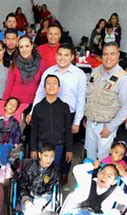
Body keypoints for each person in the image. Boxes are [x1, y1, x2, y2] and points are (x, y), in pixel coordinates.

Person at [31, 43, 87, 182]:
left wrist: (77, 121)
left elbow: (81, 99)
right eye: (60, 54)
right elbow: (39, 94)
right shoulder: (49, 72)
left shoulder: (79, 75)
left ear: (72, 57)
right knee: (47, 150)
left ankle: (62, 175)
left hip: (69, 114)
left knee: (64, 148)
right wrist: (32, 112)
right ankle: (43, 176)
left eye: (66, 55)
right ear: (56, 55)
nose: (62, 58)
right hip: (45, 111)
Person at [84, 42, 127, 161]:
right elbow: (90, 95)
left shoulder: (123, 79)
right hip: (90, 122)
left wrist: (110, 127)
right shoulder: (95, 71)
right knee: (89, 154)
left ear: (118, 55)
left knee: (102, 158)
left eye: (112, 54)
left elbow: (126, 109)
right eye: (105, 54)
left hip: (105, 125)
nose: (108, 57)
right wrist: (87, 115)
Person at [30, 74, 73, 172]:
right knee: (41, 170)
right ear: (44, 88)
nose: (51, 85)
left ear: (58, 88)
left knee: (55, 169)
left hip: (58, 146)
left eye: (54, 83)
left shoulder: (64, 107)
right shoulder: (38, 107)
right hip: (42, 146)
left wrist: (69, 149)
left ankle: (52, 186)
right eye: (48, 83)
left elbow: (68, 129)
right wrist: (33, 149)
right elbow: (34, 130)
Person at [20, 144, 59, 215]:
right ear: (39, 155)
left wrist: (42, 201)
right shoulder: (30, 167)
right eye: (46, 156)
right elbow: (22, 186)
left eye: (52, 156)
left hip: (42, 197)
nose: (49, 159)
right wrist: (26, 200)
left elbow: (50, 190)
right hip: (28, 197)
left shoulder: (53, 172)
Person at [2, 35, 47, 107]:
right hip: (14, 105)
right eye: (21, 47)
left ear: (32, 46)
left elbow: (44, 87)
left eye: (27, 46)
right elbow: (9, 86)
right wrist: (3, 104)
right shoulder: (14, 64)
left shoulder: (41, 64)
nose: (24, 49)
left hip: (34, 104)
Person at [0, 97, 21, 183]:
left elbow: (17, 133)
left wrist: (16, 142)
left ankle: (3, 167)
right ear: (5, 106)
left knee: (6, 147)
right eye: (10, 104)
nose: (12, 106)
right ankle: (7, 166)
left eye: (14, 105)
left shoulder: (15, 122)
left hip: (10, 142)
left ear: (15, 110)